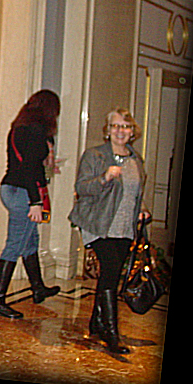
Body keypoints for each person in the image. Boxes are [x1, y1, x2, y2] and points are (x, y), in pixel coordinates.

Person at [69, 108, 150, 354]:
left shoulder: (136, 159)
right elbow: (82, 188)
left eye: (125, 126)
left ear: (132, 131)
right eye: (115, 126)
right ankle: (111, 334)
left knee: (111, 276)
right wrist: (104, 177)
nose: (120, 131)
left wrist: (142, 208)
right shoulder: (95, 156)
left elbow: (135, 192)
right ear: (107, 130)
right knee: (111, 270)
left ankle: (96, 322)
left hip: (125, 227)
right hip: (98, 223)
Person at [0, 90, 61, 319]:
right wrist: (35, 201)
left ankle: (38, 288)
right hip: (22, 193)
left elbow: (28, 163)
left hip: (12, 187)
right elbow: (29, 167)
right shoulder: (36, 130)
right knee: (14, 245)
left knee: (30, 242)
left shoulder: (20, 127)